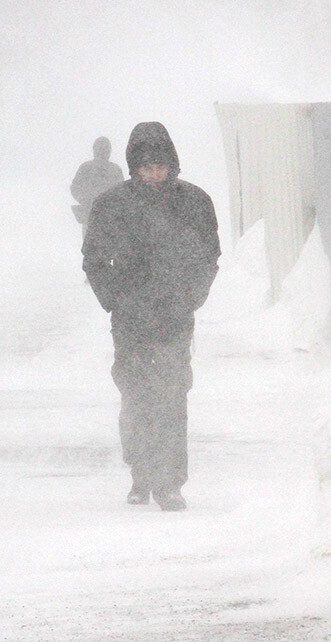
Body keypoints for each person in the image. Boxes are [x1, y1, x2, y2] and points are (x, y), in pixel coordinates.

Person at [81, 122, 220, 511]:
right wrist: (113, 299)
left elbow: (209, 254)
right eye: (145, 167)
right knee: (135, 394)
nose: (153, 173)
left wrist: (193, 295)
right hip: (130, 318)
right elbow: (93, 258)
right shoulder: (112, 205)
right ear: (133, 167)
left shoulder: (193, 202)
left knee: (173, 396)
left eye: (160, 166)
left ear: (171, 164)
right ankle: (140, 474)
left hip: (175, 316)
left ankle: (170, 483)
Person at [70, 137, 124, 234]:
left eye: (106, 149)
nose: (103, 151)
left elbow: (122, 192)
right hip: (91, 215)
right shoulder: (86, 168)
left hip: (110, 217)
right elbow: (75, 188)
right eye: (101, 148)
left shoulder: (115, 169)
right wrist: (87, 200)